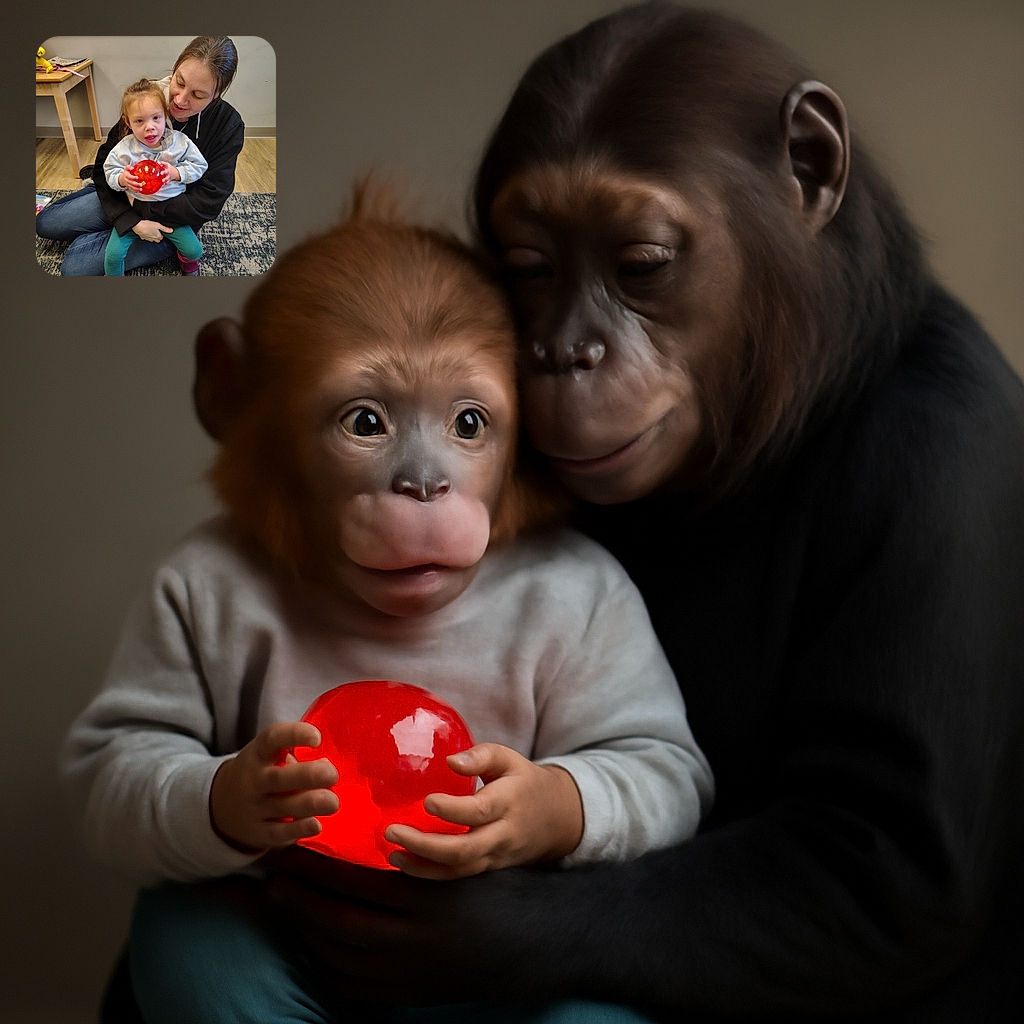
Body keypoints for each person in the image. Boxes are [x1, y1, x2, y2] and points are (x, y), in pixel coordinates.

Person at [265, 5, 1024, 1023]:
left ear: (807, 172)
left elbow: (886, 885)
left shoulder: (935, 441)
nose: (569, 349)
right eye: (532, 271)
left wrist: (545, 929)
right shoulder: (501, 409)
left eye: (642, 268)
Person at [63, 200, 713, 1023]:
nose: (424, 478)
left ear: (524, 433)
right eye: (364, 421)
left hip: (503, 953)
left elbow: (667, 771)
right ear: (247, 409)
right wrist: (220, 801)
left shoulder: (569, 592)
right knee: (183, 942)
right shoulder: (216, 586)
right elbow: (108, 777)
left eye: (468, 423)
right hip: (290, 935)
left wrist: (557, 807)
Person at [36, 36, 243, 276]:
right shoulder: (147, 100)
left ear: (217, 94)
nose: (179, 99)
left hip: (174, 216)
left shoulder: (228, 125)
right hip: (128, 196)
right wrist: (128, 219)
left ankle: (110, 227)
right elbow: (106, 163)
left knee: (74, 266)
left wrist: (142, 214)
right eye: (179, 82)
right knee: (45, 223)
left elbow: (210, 201)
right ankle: (99, 202)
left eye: (198, 95)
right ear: (175, 69)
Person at [102, 79, 208, 276]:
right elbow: (109, 170)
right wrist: (121, 179)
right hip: (136, 210)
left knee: (194, 251)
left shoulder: (179, 142)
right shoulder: (125, 148)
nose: (149, 127)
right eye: (139, 121)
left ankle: (186, 264)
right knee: (112, 255)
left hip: (171, 209)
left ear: (165, 115)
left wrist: (177, 173)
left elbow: (200, 165)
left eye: (156, 118)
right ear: (128, 122)